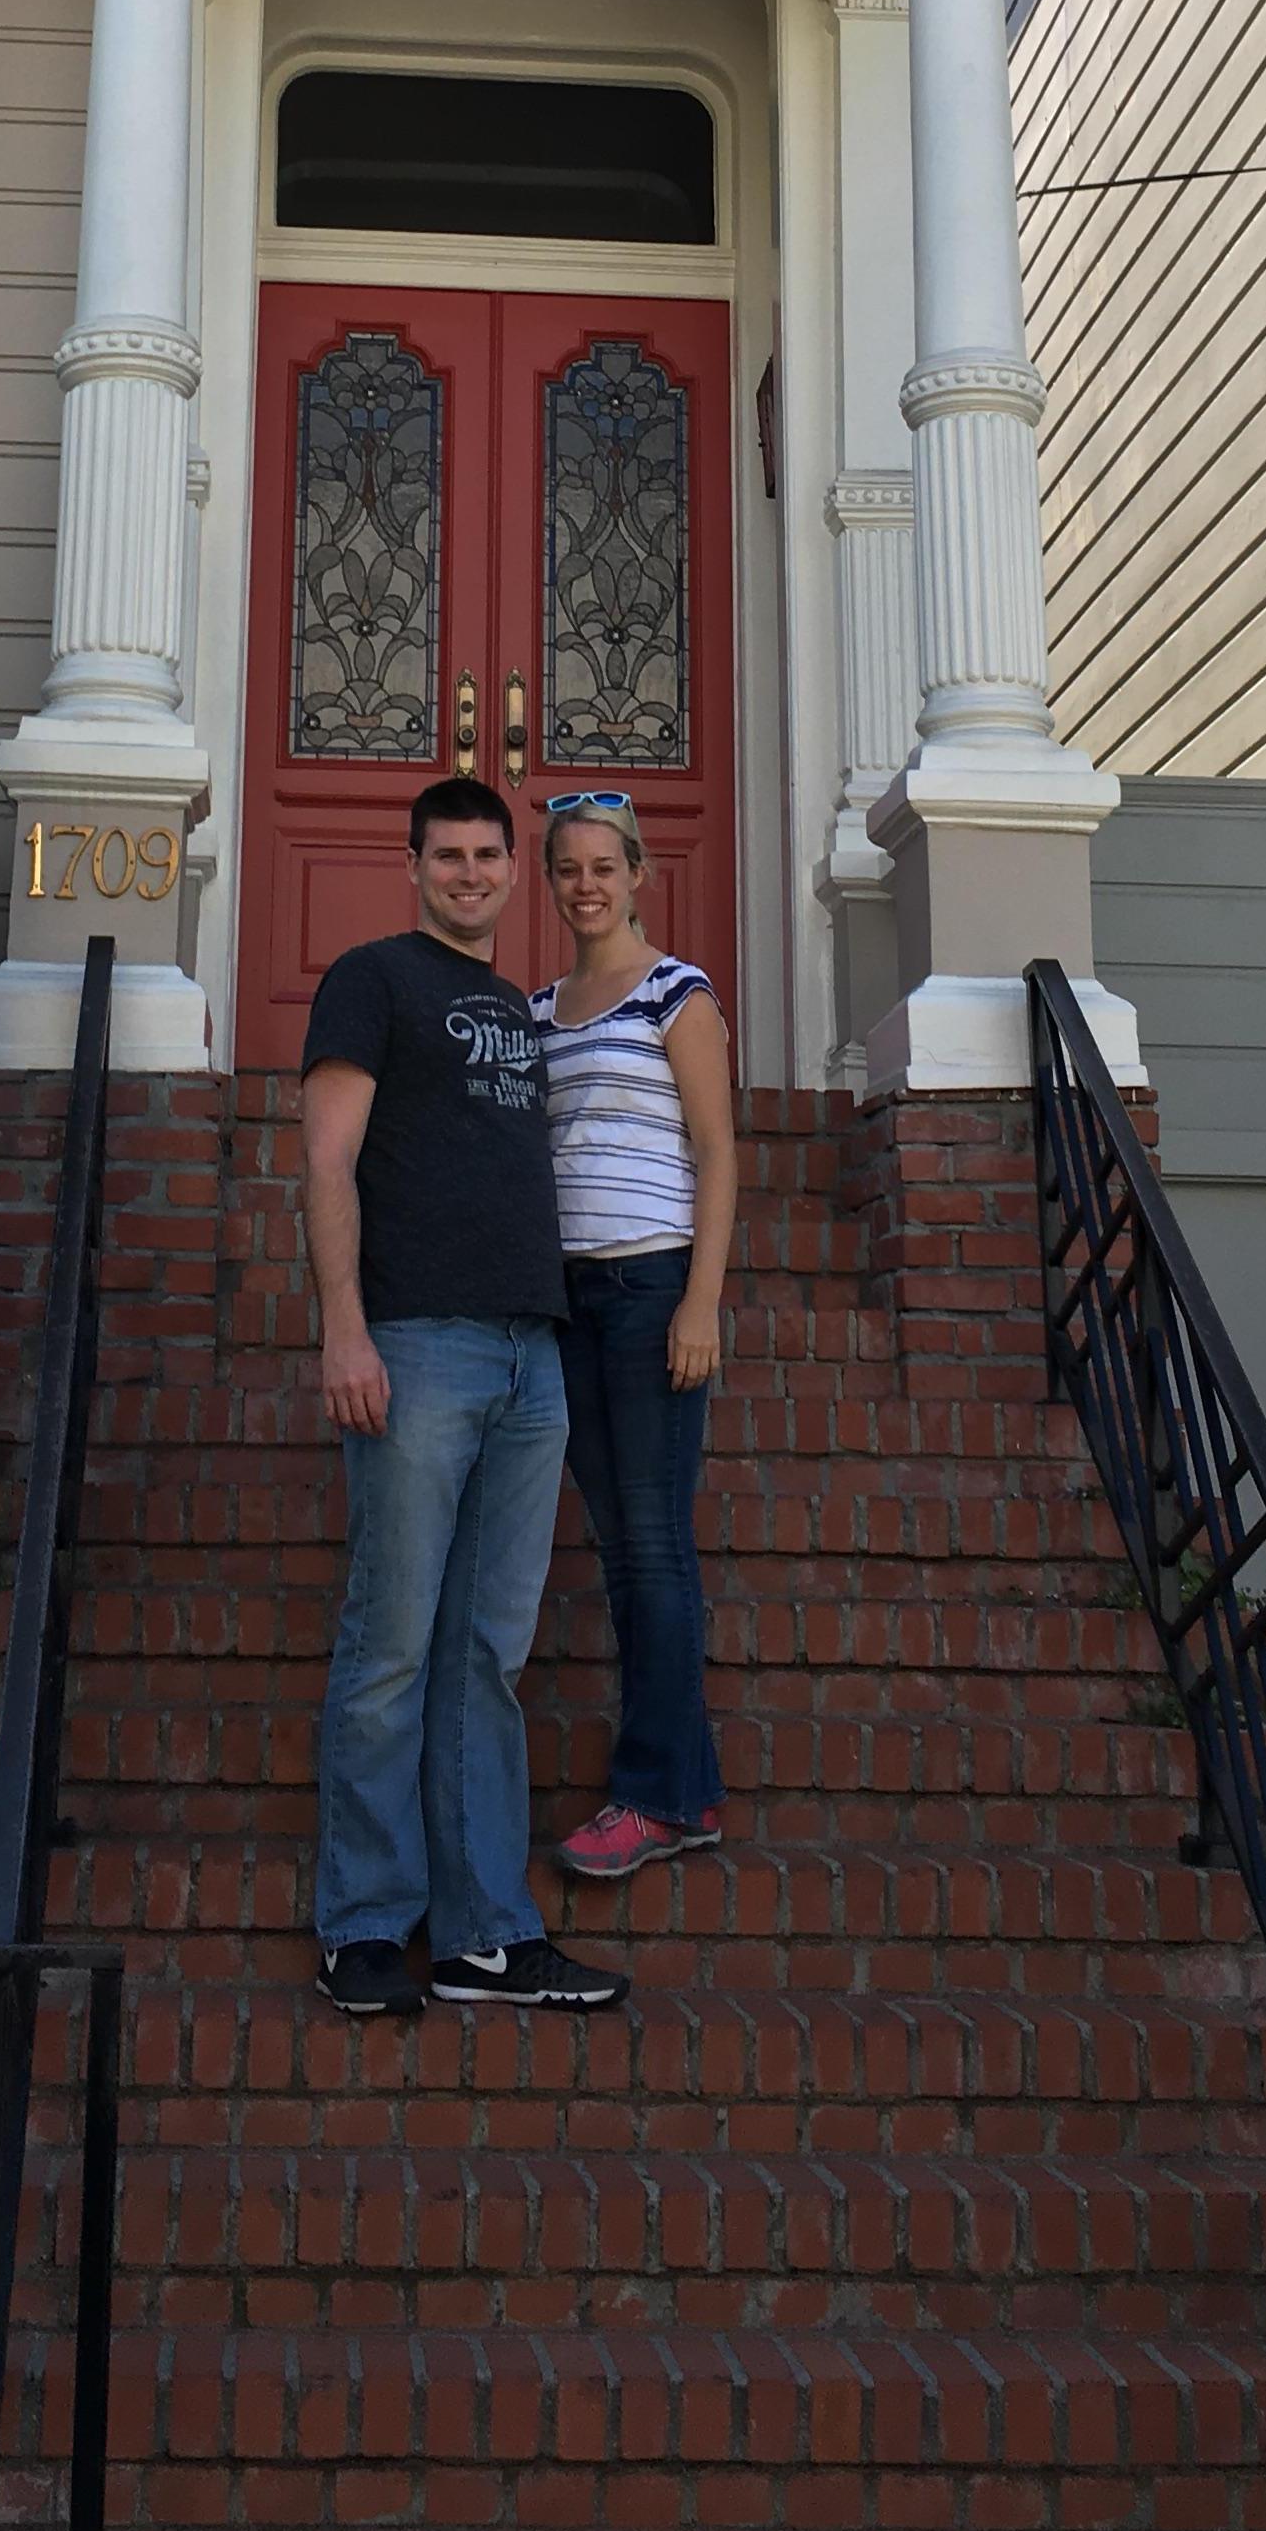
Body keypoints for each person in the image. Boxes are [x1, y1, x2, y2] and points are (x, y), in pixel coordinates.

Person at [297, 774, 627, 2018]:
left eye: (491, 856)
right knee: (391, 1643)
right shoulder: (372, 980)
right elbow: (327, 1159)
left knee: (486, 1653)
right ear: (415, 866)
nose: (473, 875)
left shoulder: (514, 1008)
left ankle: (485, 1934)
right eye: (450, 856)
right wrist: (345, 1329)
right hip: (420, 1346)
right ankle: (365, 1926)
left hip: (531, 1356)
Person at [531, 792, 737, 1884]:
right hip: (572, 1300)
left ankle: (653, 1795)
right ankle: (684, 1795)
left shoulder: (677, 992)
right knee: (623, 1545)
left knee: (654, 1544)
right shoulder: (538, 1010)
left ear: (638, 875)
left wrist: (701, 1300)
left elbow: (717, 1152)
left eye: (604, 867)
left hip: (654, 1286)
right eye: (569, 869)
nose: (587, 886)